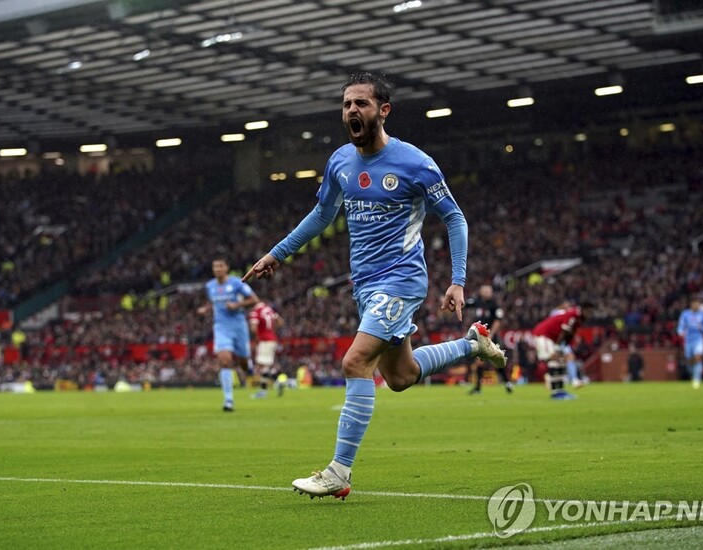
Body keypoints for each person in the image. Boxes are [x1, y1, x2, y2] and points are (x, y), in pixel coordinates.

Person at [243, 72, 506, 500]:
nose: (352, 111)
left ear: (383, 111)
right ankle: (471, 345)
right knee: (400, 377)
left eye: (361, 104)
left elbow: (455, 217)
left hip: (401, 279)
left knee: (355, 362)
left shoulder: (415, 163)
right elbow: (322, 216)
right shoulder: (340, 162)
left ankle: (338, 472)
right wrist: (277, 253)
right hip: (364, 285)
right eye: (347, 104)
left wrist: (457, 281)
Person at [197, 255, 259, 411]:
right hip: (221, 327)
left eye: (220, 266)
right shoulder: (210, 286)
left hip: (238, 325)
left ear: (226, 268)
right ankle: (229, 400)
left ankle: (248, 365)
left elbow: (254, 300)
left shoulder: (237, 283)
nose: (217, 269)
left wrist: (238, 304)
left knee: (243, 362)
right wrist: (206, 309)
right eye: (215, 267)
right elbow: (213, 302)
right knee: (224, 360)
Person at [532, 301, 594, 400]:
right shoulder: (573, 315)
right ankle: (556, 392)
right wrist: (558, 348)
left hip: (552, 339)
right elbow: (565, 331)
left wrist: (562, 347)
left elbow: (569, 335)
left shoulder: (578, 318)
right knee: (555, 361)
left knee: (560, 361)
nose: (590, 315)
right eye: (589, 312)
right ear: (583, 310)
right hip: (544, 335)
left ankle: (560, 391)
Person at [465, 284, 512, 394]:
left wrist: (491, 334)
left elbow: (498, 320)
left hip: (491, 336)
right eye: (485, 291)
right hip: (480, 336)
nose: (487, 293)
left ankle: (507, 382)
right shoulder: (476, 301)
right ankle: (477, 388)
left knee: (497, 360)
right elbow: (466, 304)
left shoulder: (495, 304)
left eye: (489, 291)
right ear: (481, 291)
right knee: (479, 362)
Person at [248, 301, 285, 398]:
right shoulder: (269, 309)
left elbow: (253, 328)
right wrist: (271, 330)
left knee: (261, 367)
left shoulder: (255, 311)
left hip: (264, 341)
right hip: (272, 339)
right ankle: (267, 389)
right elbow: (281, 322)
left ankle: (276, 383)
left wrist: (257, 338)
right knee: (266, 366)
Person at [676, 296, 703, 389]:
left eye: (698, 304)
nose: (697, 305)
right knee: (689, 361)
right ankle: (693, 374)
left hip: (698, 339)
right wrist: (680, 332)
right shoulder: (685, 314)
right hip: (688, 340)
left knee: (698, 357)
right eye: (696, 303)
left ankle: (697, 379)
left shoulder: (702, 315)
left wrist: (701, 328)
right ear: (692, 304)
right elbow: (681, 325)